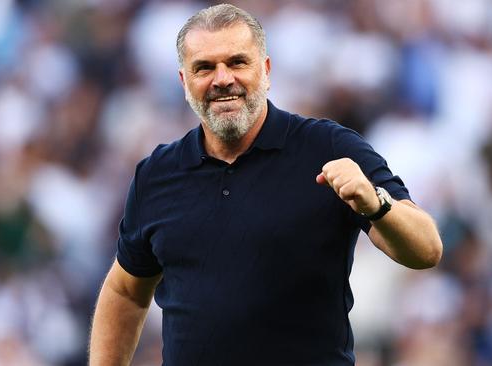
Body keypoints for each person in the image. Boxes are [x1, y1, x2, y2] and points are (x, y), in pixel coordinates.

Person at [89, 4, 442, 365]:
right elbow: (126, 290)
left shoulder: (327, 147)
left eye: (237, 62)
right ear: (184, 82)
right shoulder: (158, 174)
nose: (222, 78)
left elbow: (426, 248)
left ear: (266, 70)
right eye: (204, 67)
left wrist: (376, 203)